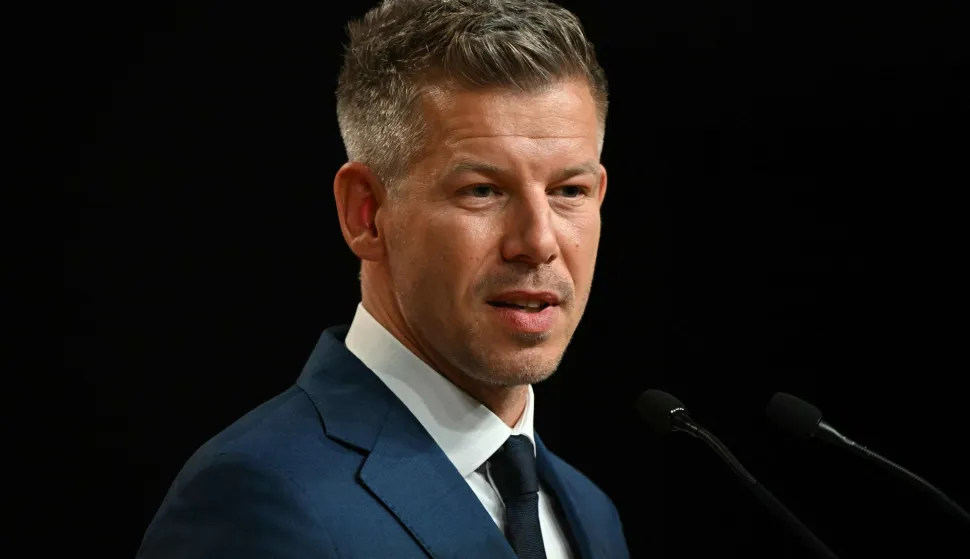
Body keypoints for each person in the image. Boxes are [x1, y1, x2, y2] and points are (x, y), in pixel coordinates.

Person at [135, 0, 628, 557]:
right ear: (365, 214)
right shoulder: (255, 495)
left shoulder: (592, 514)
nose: (539, 242)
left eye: (569, 192)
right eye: (481, 190)